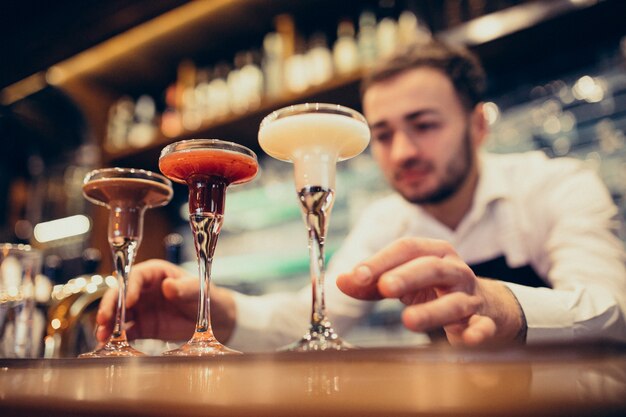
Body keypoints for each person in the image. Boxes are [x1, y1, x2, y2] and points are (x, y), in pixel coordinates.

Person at [95, 40, 626, 350]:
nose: (403, 152)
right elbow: (306, 320)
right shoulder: (387, 221)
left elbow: (613, 312)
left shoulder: (556, 186)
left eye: (424, 125)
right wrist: (206, 312)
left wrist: (500, 304)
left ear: (478, 126)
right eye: (387, 133)